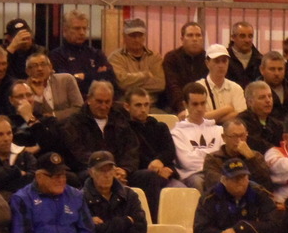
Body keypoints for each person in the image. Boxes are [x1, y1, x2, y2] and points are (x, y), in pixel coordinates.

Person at [60, 81, 164, 218]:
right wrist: (107, 170)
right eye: (99, 101)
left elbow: (131, 149)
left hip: (121, 172)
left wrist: (124, 170)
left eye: (107, 102)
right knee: (88, 177)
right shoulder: (75, 122)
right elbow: (78, 153)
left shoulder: (120, 119)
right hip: (90, 171)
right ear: (89, 99)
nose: (104, 106)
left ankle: (150, 221)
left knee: (149, 177)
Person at [125, 87, 183, 194]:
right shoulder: (124, 129)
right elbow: (133, 156)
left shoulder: (160, 127)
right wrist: (156, 169)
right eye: (138, 105)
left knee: (182, 192)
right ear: (127, 107)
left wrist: (160, 162)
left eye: (146, 105)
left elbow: (169, 150)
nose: (143, 109)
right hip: (141, 176)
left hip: (165, 173)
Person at [49, 9, 118, 95]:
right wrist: (96, 75)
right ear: (65, 30)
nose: (82, 32)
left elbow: (111, 78)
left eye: (84, 28)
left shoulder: (96, 54)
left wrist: (83, 76)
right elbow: (67, 83)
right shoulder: (57, 55)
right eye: (77, 28)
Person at [170, 83, 222, 190]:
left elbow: (223, 158)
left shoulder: (218, 130)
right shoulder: (177, 133)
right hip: (193, 175)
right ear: (185, 105)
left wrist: (198, 153)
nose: (200, 108)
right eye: (195, 104)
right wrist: (211, 154)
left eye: (203, 103)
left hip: (217, 172)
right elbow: (187, 163)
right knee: (198, 181)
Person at [201, 117, 273, 192]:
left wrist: (251, 159)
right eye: (234, 136)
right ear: (224, 137)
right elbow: (215, 184)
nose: (239, 140)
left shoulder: (255, 156)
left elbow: (267, 183)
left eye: (242, 135)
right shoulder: (213, 158)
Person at [108, 18, 165, 105]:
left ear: (144, 36)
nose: (137, 39)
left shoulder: (155, 57)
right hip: (125, 107)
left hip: (151, 106)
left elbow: (160, 84)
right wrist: (145, 75)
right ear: (124, 37)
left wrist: (131, 82)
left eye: (140, 35)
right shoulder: (116, 57)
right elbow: (122, 83)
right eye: (132, 36)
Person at [24, 51, 84, 120]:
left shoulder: (66, 79)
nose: (39, 69)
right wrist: (39, 97)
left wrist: (54, 115)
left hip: (70, 123)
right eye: (35, 66)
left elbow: (79, 108)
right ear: (28, 71)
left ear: (50, 67)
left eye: (43, 64)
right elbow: (30, 115)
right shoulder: (24, 88)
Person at [163, 21, 208, 113]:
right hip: (175, 106)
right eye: (190, 35)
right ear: (182, 39)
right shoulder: (171, 58)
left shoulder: (208, 59)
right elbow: (173, 87)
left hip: (203, 105)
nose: (194, 39)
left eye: (198, 35)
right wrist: (183, 108)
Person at [198, 44, 246, 124]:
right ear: (207, 63)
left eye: (224, 61)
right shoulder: (198, 88)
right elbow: (198, 118)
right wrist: (227, 109)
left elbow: (241, 117)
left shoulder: (236, 88)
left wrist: (212, 118)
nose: (221, 65)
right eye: (216, 61)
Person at [238, 80, 284, 154]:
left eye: (270, 96)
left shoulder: (277, 124)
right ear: (249, 102)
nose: (268, 100)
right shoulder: (242, 123)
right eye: (262, 97)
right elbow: (256, 146)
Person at [225, 21, 263, 88]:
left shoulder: (260, 61)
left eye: (250, 36)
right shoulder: (225, 59)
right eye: (242, 36)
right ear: (233, 37)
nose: (247, 40)